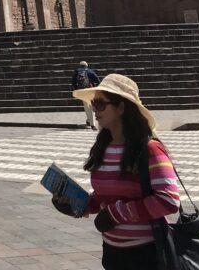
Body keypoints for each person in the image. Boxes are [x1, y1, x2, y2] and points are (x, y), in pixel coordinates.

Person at [52, 74, 179, 269]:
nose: (94, 110)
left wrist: (116, 214)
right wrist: (78, 205)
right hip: (112, 253)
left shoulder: (149, 149)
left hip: (147, 254)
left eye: (101, 104)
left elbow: (168, 200)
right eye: (94, 104)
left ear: (121, 108)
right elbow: (107, 196)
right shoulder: (103, 148)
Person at [73, 61, 102, 129]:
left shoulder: (77, 71)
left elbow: (73, 81)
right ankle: (92, 124)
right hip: (89, 90)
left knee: (86, 106)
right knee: (90, 105)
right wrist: (96, 87)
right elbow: (97, 80)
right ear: (87, 66)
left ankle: (89, 121)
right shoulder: (90, 71)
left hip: (82, 91)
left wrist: (76, 88)